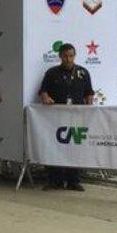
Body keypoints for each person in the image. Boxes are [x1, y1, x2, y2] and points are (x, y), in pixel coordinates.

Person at [38, 43, 94, 192]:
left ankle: (73, 181)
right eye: (65, 56)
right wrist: (46, 98)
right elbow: (43, 91)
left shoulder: (83, 72)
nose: (68, 59)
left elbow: (89, 93)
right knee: (54, 146)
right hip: (56, 118)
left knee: (75, 148)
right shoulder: (52, 73)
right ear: (60, 56)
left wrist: (89, 108)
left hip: (76, 117)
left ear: (74, 56)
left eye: (71, 56)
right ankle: (54, 180)